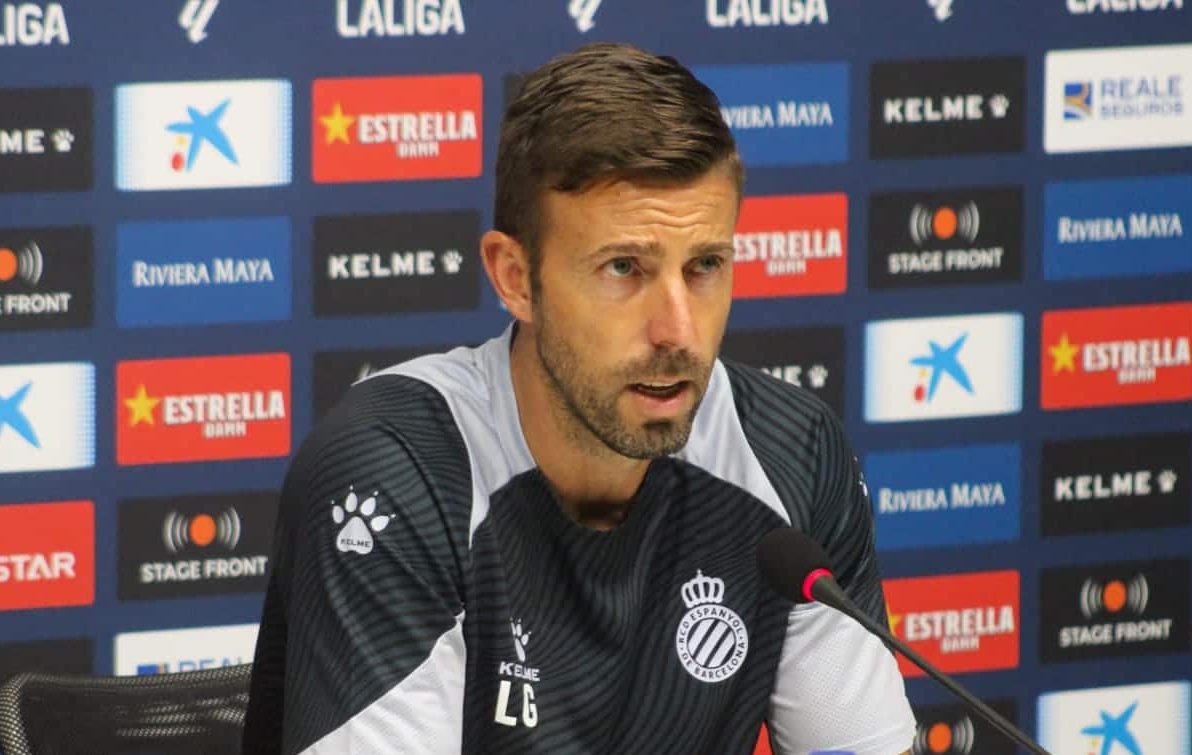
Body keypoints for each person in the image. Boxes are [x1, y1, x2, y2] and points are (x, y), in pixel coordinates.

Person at [243, 42, 914, 755]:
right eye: (624, 268)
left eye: (705, 266)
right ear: (514, 277)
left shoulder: (792, 453)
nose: (678, 332)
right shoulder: (399, 468)